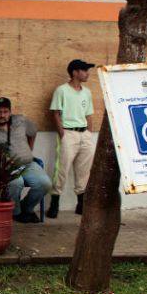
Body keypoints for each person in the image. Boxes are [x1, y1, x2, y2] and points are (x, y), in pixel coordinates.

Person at [0, 97, 52, 223]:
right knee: (16, 183)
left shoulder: (21, 120)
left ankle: (27, 209)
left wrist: (29, 148)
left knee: (45, 184)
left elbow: (33, 131)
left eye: (5, 112)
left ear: (10, 112)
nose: (2, 115)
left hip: (28, 164)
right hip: (6, 169)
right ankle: (16, 213)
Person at [47, 59, 96, 218]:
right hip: (68, 133)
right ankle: (55, 203)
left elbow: (89, 114)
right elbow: (55, 112)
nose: (87, 73)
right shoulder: (61, 90)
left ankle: (81, 203)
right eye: (84, 70)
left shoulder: (87, 92)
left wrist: (89, 132)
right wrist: (62, 133)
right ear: (75, 72)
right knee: (62, 169)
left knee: (84, 170)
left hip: (84, 135)